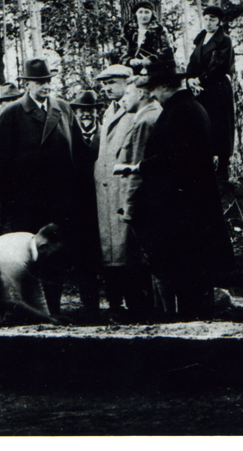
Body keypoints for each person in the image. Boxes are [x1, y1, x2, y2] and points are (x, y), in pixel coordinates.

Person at [128, 60, 234, 321]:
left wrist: (138, 166)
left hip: (185, 214)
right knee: (195, 281)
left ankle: (193, 333)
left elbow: (176, 160)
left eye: (154, 88)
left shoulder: (180, 112)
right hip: (193, 211)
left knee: (189, 281)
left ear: (166, 86)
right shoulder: (190, 108)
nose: (152, 94)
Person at [0, 58, 78, 314]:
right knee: (29, 255)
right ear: (27, 84)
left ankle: (54, 309)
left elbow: (77, 154)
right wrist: (13, 199)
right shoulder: (13, 113)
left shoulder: (63, 108)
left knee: (55, 254)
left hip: (60, 200)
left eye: (48, 81)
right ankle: (31, 311)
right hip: (27, 202)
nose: (45, 86)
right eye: (39, 82)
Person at [92, 64, 147, 315]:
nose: (106, 88)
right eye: (104, 84)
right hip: (106, 191)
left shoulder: (135, 110)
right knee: (112, 252)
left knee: (129, 251)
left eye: (111, 83)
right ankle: (116, 305)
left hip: (124, 188)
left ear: (127, 82)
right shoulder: (109, 111)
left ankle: (137, 305)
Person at [111, 77, 162, 316]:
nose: (122, 99)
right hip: (151, 201)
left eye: (127, 94)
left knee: (153, 260)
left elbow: (137, 169)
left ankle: (159, 312)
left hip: (143, 202)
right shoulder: (147, 116)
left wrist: (128, 207)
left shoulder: (144, 120)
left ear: (141, 93)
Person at [186, 5, 236, 181]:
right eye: (206, 18)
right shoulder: (200, 40)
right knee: (202, 125)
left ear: (219, 22)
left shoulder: (224, 41)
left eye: (212, 19)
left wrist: (199, 79)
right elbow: (192, 63)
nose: (208, 22)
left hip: (218, 88)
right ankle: (204, 167)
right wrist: (190, 79)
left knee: (221, 126)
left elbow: (220, 65)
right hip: (200, 90)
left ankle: (223, 169)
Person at [69, 89, 103, 315]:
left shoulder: (106, 133)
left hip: (106, 201)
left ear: (97, 112)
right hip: (79, 206)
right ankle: (90, 305)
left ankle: (117, 302)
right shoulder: (69, 135)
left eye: (90, 111)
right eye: (81, 111)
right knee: (84, 254)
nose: (86, 115)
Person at [121, 0, 173, 73]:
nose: (143, 15)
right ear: (136, 14)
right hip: (129, 69)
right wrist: (130, 60)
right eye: (140, 12)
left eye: (147, 12)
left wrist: (151, 60)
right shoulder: (127, 31)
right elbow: (119, 51)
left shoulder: (160, 31)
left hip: (153, 70)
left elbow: (166, 52)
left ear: (152, 14)